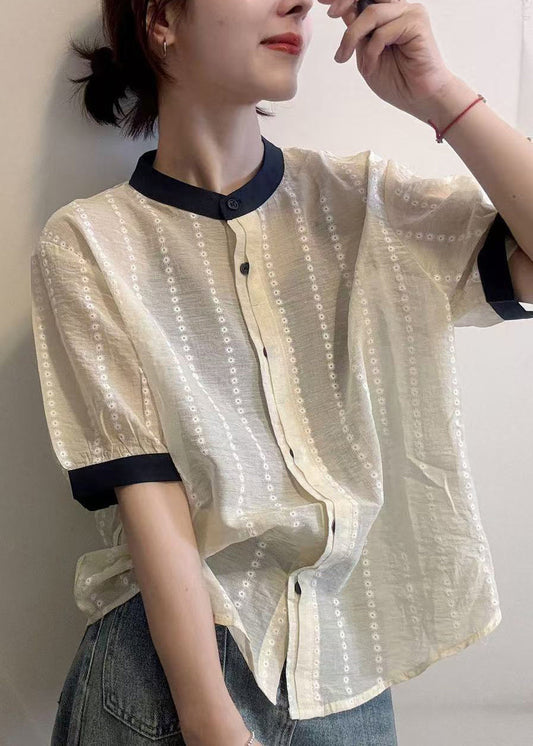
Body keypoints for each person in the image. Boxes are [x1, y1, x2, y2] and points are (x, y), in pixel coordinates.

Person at [30, 1, 533, 745]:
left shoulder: (364, 206)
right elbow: (148, 497)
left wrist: (439, 95)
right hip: (165, 683)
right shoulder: (90, 245)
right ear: (161, 19)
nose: (297, 2)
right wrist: (211, 722)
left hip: (345, 681)